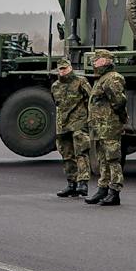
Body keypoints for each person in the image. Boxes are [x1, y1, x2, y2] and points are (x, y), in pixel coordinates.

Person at [84, 50, 126, 206]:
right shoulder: (101, 79)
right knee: (102, 158)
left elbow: (119, 101)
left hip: (109, 125)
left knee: (112, 157)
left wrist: (118, 119)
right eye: (95, 60)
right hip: (99, 125)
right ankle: (103, 188)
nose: (95, 63)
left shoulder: (113, 78)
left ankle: (114, 191)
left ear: (108, 61)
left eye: (99, 60)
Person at [49, 57, 91, 198]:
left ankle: (83, 182)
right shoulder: (55, 86)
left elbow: (90, 100)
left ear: (71, 68)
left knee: (81, 151)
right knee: (66, 154)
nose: (63, 72)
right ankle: (71, 183)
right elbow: (58, 104)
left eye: (65, 68)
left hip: (79, 122)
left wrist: (90, 120)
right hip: (63, 124)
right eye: (60, 69)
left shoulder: (81, 81)